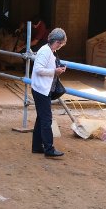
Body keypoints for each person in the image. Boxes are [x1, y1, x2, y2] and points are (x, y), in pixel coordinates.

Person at [31, 27, 67, 158]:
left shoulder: (48, 50)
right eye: (61, 43)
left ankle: (37, 146)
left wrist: (56, 69)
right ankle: (49, 148)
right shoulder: (46, 52)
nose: (61, 46)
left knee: (41, 118)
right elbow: (38, 69)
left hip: (41, 88)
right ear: (56, 41)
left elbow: (41, 68)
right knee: (46, 119)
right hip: (41, 89)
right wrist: (54, 71)